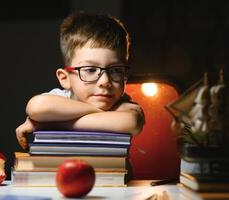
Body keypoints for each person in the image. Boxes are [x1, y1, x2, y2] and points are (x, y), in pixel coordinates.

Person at [16, 12, 145, 150]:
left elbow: (132, 122)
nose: (105, 81)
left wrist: (49, 124)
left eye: (115, 70)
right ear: (65, 78)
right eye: (90, 70)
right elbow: (36, 108)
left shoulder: (121, 103)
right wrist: (100, 113)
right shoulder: (60, 99)